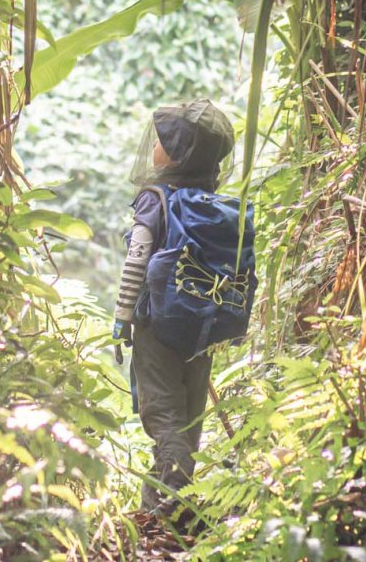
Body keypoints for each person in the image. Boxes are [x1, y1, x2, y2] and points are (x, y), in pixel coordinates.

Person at [111, 98, 237, 514]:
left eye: (163, 141)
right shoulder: (213, 206)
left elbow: (138, 258)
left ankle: (162, 509)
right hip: (201, 331)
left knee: (162, 414)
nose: (154, 149)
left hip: (157, 328)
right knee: (189, 416)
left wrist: (122, 317)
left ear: (181, 151)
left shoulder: (156, 199)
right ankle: (168, 510)